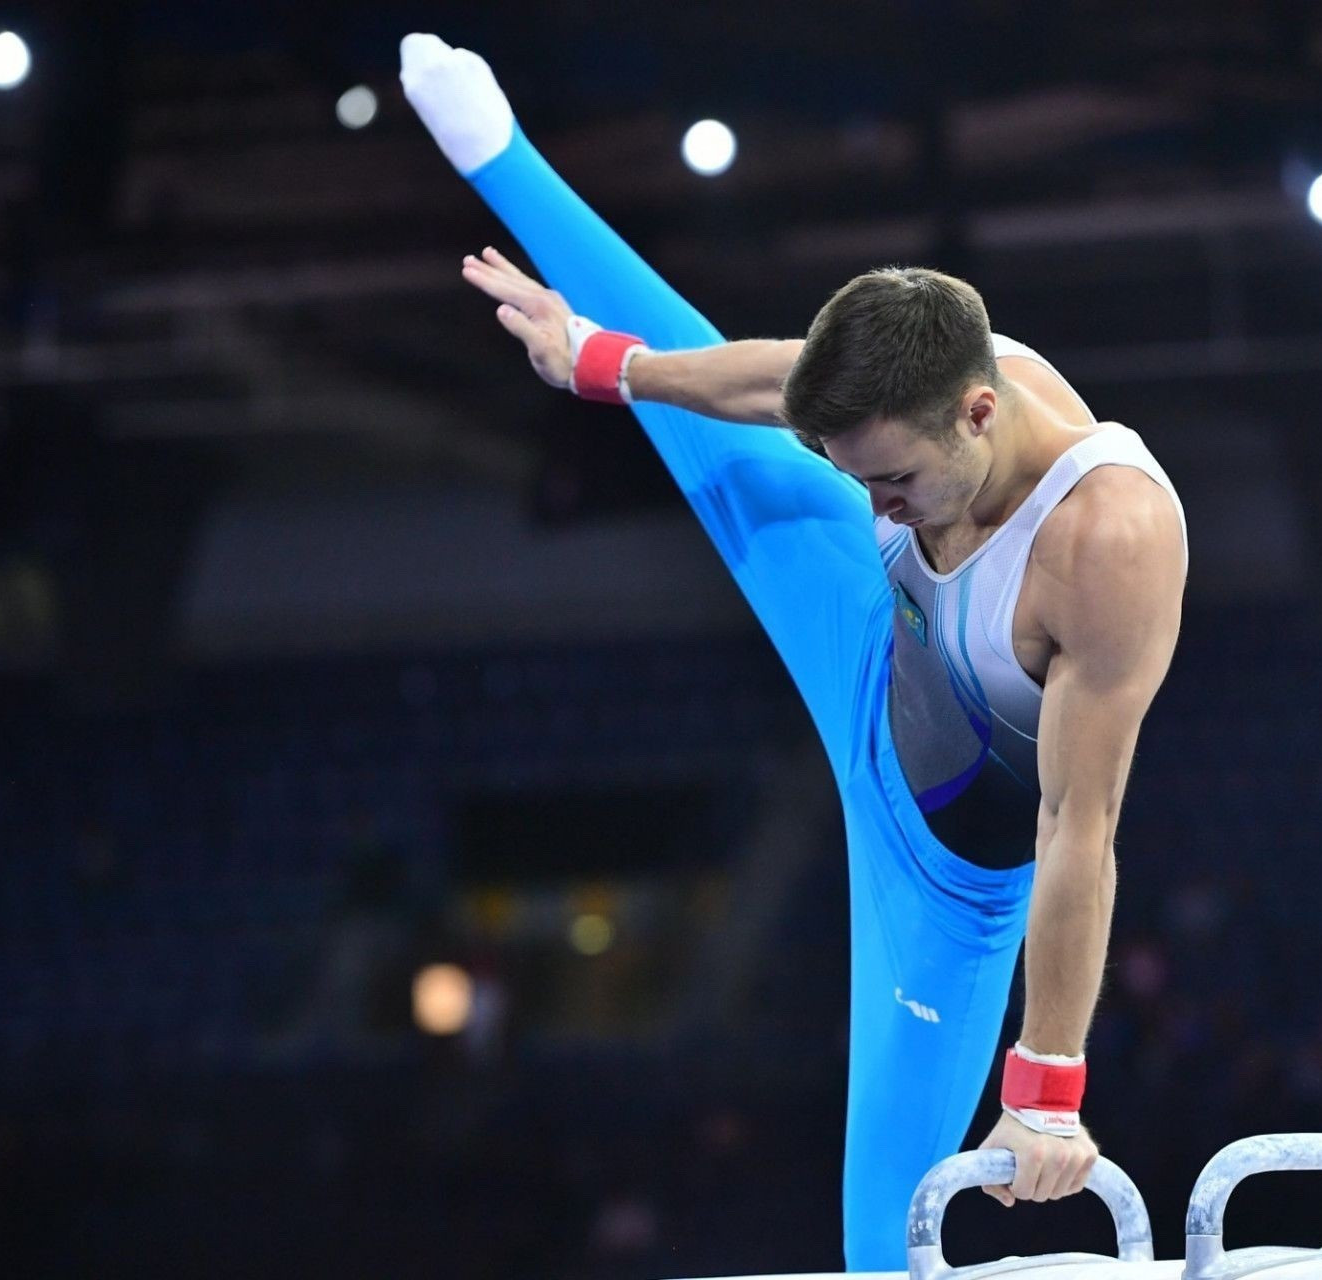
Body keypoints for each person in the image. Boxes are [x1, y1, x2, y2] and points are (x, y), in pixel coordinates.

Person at [400, 33, 1188, 1271]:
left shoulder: (1107, 541)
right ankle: (499, 153)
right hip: (872, 650)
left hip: (947, 873)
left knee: (881, 1238)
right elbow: (775, 381)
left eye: (894, 480)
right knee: (710, 430)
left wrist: (1047, 1079)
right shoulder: (919, 394)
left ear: (981, 411)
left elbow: (1076, 829)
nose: (877, 508)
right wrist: (600, 363)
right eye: (858, 473)